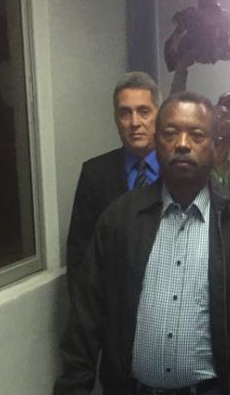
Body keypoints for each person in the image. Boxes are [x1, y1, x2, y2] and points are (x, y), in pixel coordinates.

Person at [54, 92, 230, 395]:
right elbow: (89, 306)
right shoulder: (120, 218)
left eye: (197, 135)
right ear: (156, 142)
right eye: (171, 133)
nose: (183, 144)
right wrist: (76, 386)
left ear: (215, 146)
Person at [65, 72, 161, 272]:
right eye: (125, 113)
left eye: (144, 112)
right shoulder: (94, 174)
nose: (135, 122)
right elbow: (79, 253)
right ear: (116, 119)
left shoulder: (178, 171)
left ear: (159, 116)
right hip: (111, 290)